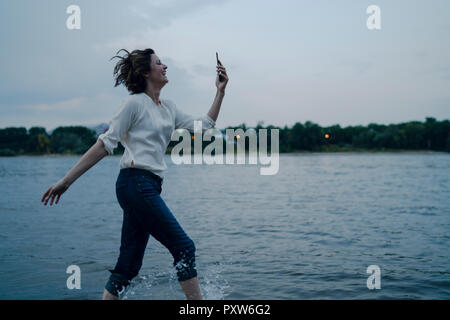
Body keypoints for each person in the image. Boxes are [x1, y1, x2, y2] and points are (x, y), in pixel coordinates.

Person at [41, 48, 229, 300]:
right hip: (134, 184)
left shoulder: (168, 107)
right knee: (184, 248)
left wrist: (220, 92)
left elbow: (204, 127)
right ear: (144, 72)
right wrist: (66, 181)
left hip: (148, 186)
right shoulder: (133, 104)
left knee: (128, 266)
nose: (165, 67)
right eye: (159, 63)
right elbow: (104, 145)